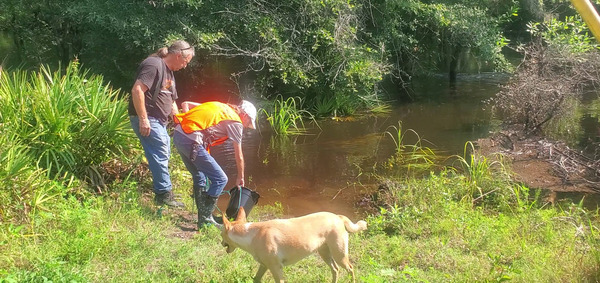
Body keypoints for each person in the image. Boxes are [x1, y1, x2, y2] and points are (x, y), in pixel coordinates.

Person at [129, 40, 195, 207]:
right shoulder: (154, 64)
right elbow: (137, 90)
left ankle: (164, 193)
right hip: (148, 118)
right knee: (161, 151)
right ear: (179, 56)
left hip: (159, 121)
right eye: (186, 62)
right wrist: (143, 119)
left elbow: (172, 100)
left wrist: (181, 122)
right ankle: (163, 195)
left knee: (163, 151)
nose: (185, 67)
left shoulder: (169, 72)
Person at [173, 100, 257, 228]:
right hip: (191, 141)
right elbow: (239, 155)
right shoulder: (236, 122)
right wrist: (240, 177)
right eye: (248, 122)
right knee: (221, 179)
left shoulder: (221, 107)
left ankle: (204, 217)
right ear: (244, 115)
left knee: (199, 176)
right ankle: (206, 219)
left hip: (179, 135)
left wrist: (190, 128)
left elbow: (186, 104)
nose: (246, 126)